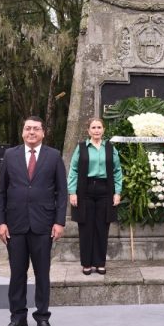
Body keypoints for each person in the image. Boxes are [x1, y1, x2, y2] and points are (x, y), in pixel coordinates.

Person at [0, 116, 67, 326]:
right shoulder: (10, 155)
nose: (32, 132)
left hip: (43, 225)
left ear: (43, 132)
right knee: (17, 274)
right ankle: (17, 318)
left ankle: (43, 317)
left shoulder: (54, 156)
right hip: (15, 225)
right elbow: (1, 192)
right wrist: (1, 222)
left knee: (42, 274)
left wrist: (59, 221)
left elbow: (61, 192)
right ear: (22, 132)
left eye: (36, 129)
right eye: (28, 128)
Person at [68, 118, 123, 276]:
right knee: (86, 228)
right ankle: (86, 263)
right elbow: (73, 170)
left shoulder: (110, 148)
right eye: (93, 127)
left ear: (103, 130)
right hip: (85, 190)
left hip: (105, 190)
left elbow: (117, 171)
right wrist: (72, 192)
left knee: (102, 228)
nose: (97, 130)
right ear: (88, 130)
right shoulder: (81, 148)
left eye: (99, 127)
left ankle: (99, 263)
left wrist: (117, 192)